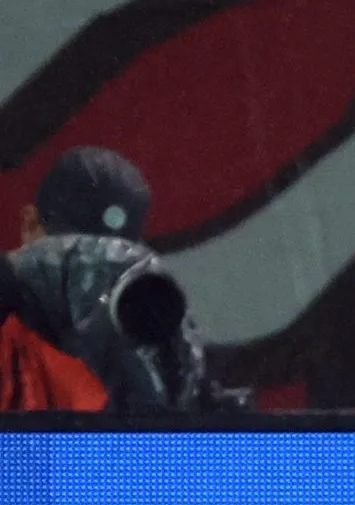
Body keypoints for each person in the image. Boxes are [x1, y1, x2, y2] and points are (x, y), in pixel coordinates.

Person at [0, 146, 225, 411]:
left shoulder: (144, 332)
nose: (89, 279)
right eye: (70, 252)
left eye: (108, 263)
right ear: (30, 224)